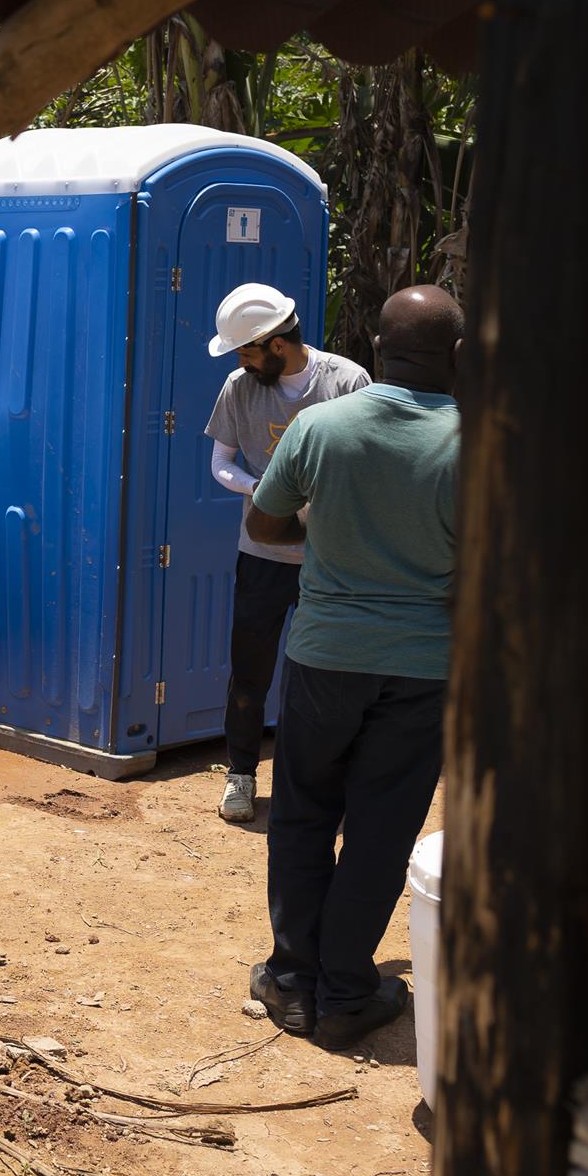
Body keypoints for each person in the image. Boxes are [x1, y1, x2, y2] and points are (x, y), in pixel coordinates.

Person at [242, 284, 462, 1052]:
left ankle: (292, 982)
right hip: (424, 669)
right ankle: (345, 993)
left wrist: (328, 526)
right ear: (458, 357)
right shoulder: (488, 442)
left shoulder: (320, 427)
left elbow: (263, 523)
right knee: (380, 829)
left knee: (303, 812)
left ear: (377, 348)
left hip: (326, 656)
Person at [203, 283, 369, 823]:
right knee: (250, 673)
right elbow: (220, 463)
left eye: (247, 350)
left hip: (331, 561)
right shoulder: (238, 386)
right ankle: (241, 776)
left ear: (277, 345)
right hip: (261, 556)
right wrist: (264, 491)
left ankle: (323, 784)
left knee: (329, 675)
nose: (242, 362)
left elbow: (368, 462)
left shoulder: (347, 381)